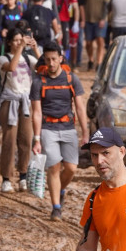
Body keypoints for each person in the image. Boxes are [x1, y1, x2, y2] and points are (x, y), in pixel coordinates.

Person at [30, 42, 88, 220]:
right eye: (48, 59)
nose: (51, 63)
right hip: (48, 128)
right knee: (54, 167)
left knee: (71, 168)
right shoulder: (38, 82)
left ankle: (60, 189)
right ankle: (56, 207)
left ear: (61, 59)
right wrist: (37, 138)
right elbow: (37, 112)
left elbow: (79, 107)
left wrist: (85, 133)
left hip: (68, 127)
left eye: (54, 59)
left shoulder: (72, 79)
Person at [0, 28, 37, 193]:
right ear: (9, 43)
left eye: (21, 40)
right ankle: (6, 178)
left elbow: (44, 67)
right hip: (10, 102)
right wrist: (21, 47)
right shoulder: (2, 58)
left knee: (26, 140)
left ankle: (23, 175)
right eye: (15, 40)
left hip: (26, 103)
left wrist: (35, 48)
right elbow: (12, 67)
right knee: (9, 141)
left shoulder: (29, 58)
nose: (19, 43)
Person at [82, 0, 112, 71]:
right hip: (88, 18)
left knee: (100, 40)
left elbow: (107, 5)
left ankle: (99, 63)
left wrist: (103, 19)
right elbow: (82, 3)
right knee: (88, 42)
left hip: (101, 19)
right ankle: (90, 59)